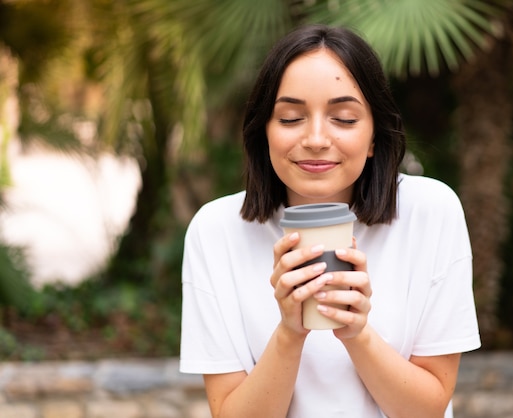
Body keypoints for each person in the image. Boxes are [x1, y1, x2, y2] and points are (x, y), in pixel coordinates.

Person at [179, 24, 480, 418]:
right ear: (263, 132)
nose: (317, 138)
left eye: (344, 118)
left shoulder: (430, 211)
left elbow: (428, 409)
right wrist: (289, 332)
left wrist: (357, 333)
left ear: (374, 136)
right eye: (290, 118)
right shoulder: (216, 231)